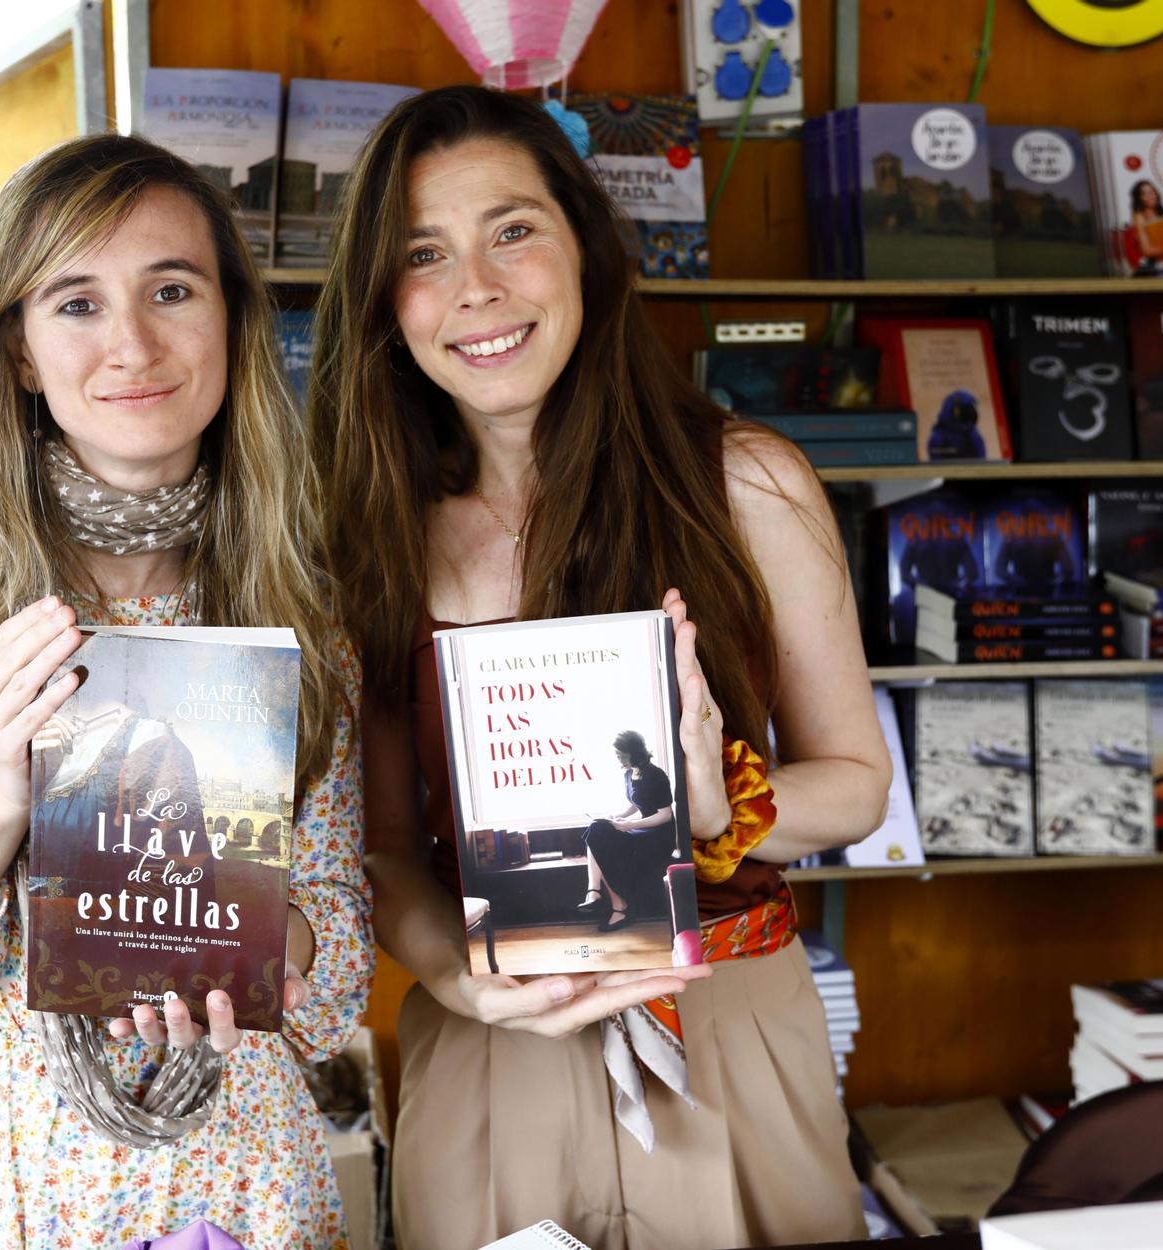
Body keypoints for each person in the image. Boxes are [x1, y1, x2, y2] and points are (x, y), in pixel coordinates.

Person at [0, 133, 368, 1249]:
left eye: (170, 290)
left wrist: (263, 941)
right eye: (75, 302)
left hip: (240, 1185)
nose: (131, 342)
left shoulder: (295, 608)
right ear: (21, 352)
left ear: (229, 317)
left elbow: (335, 983)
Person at [311, 86, 892, 1248]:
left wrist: (723, 802)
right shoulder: (368, 524)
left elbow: (856, 779)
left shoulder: (746, 480)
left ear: (584, 241)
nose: (475, 286)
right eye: (423, 252)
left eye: (512, 230)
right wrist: (455, 978)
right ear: (384, 300)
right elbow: (380, 843)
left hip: (727, 1019)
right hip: (491, 1037)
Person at [579, 730, 680, 933]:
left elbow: (665, 815)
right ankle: (597, 894)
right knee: (596, 830)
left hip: (659, 836)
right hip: (643, 830)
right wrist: (618, 816)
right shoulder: (629, 773)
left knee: (598, 835)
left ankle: (611, 902)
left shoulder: (655, 775)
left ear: (633, 752)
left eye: (620, 755)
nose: (618, 759)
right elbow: (635, 804)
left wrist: (629, 825)